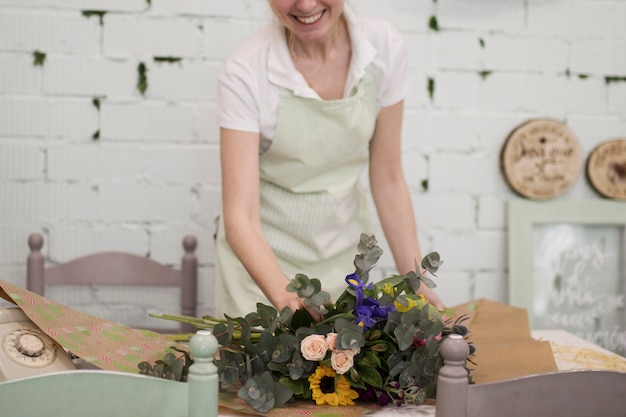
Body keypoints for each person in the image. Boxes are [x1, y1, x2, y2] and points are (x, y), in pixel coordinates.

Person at [214, 0, 445, 320]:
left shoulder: (383, 48)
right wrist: (286, 298)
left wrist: (414, 281)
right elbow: (240, 216)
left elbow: (388, 178)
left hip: (347, 270)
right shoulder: (245, 71)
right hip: (261, 277)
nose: (306, 4)